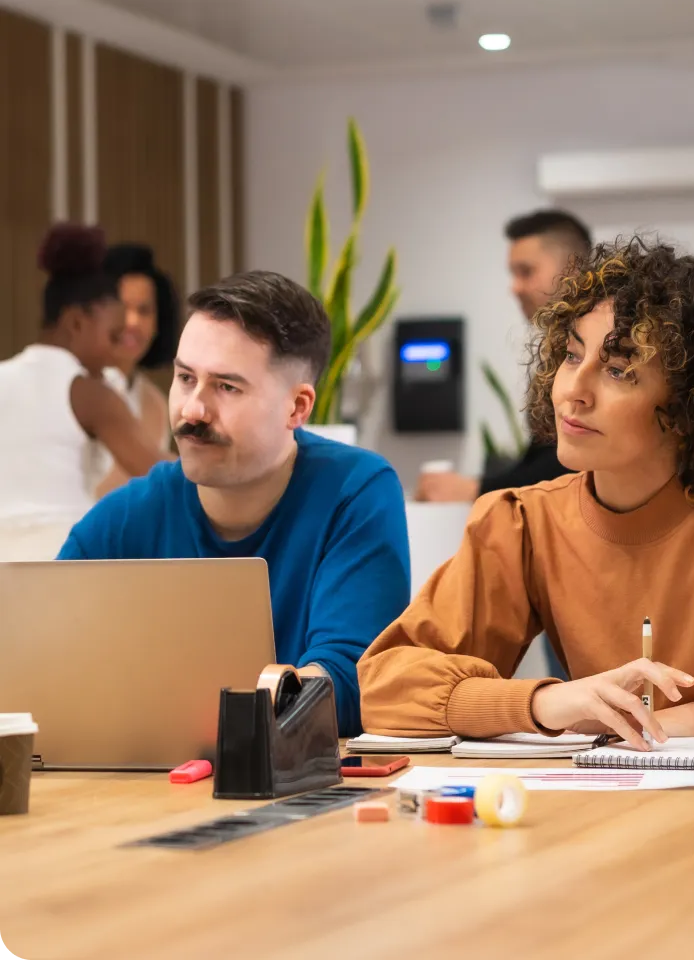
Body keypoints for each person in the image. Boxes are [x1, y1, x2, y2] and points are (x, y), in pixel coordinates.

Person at [359, 237, 694, 748]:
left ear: (690, 405)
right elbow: (386, 687)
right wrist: (544, 704)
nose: (574, 390)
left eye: (618, 370)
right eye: (572, 356)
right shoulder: (523, 524)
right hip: (606, 812)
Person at [58, 270, 411, 736]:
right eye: (186, 378)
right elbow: (47, 666)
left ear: (297, 408)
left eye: (227, 387)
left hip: (291, 794)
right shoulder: (127, 516)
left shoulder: (355, 491)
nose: (193, 410)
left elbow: (351, 685)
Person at [0, 224, 171, 560]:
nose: (115, 353)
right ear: (76, 323)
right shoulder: (89, 393)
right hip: (63, 559)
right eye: (112, 336)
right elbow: (159, 473)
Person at [415, 209, 591, 504]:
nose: (515, 287)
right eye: (513, 274)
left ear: (572, 269)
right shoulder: (559, 352)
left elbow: (570, 466)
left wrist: (475, 489)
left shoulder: (592, 354)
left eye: (526, 271)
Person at [89, 243, 182, 497]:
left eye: (144, 310)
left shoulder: (155, 404)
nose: (132, 322)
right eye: (122, 307)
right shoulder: (72, 388)